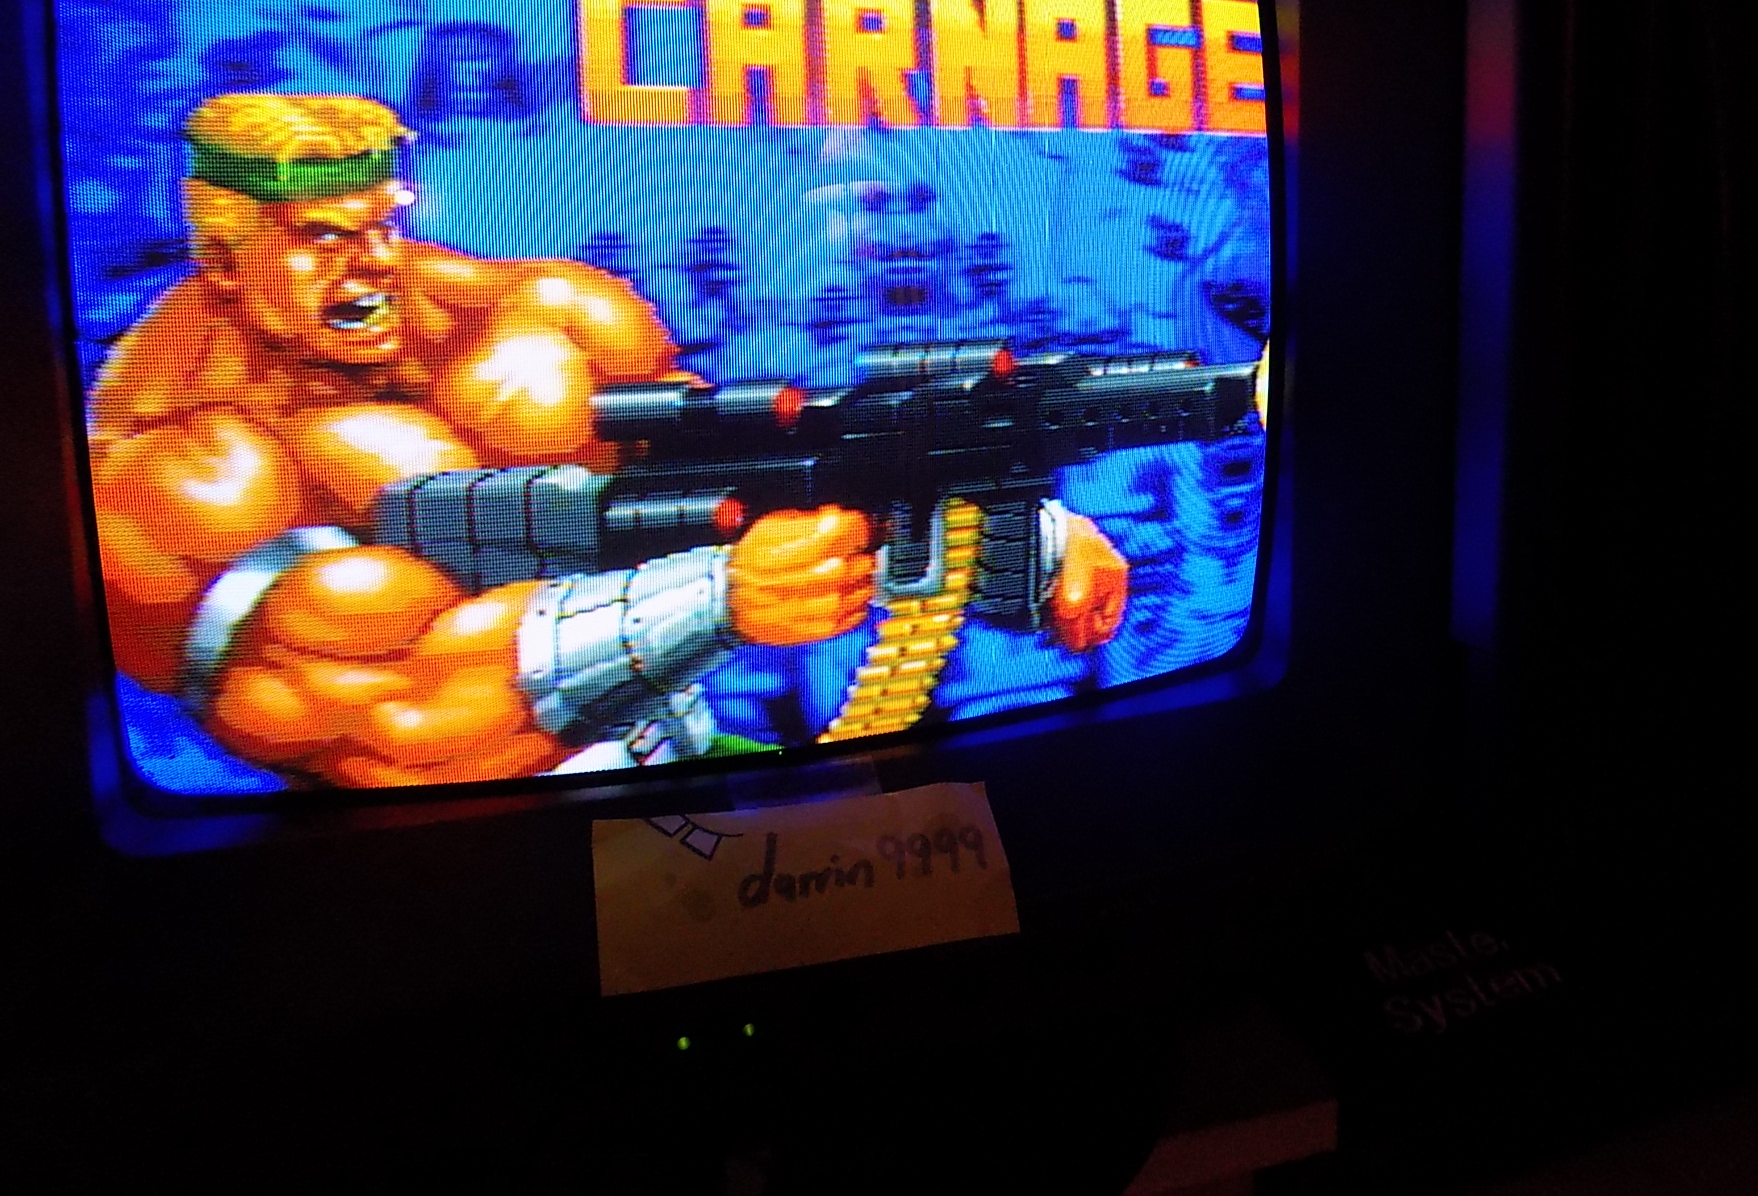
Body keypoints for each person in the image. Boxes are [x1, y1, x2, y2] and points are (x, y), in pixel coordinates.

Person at [89, 93, 1127, 788]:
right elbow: (391, 723)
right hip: (436, 879)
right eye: (321, 240)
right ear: (221, 262)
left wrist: (1014, 533)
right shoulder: (175, 467)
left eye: (382, 224)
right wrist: (716, 599)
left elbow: (746, 476)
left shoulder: (534, 317)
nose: (370, 267)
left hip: (693, 771)